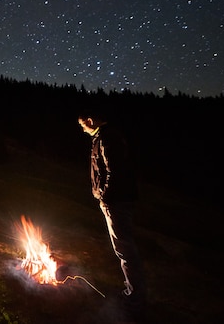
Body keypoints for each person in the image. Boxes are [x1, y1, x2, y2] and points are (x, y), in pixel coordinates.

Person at [78, 113, 147, 320]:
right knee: (124, 249)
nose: (82, 128)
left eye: (82, 124)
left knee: (125, 249)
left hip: (116, 201)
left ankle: (134, 301)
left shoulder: (108, 138)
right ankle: (132, 294)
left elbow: (114, 171)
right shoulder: (106, 136)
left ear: (90, 120)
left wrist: (105, 196)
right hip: (117, 200)